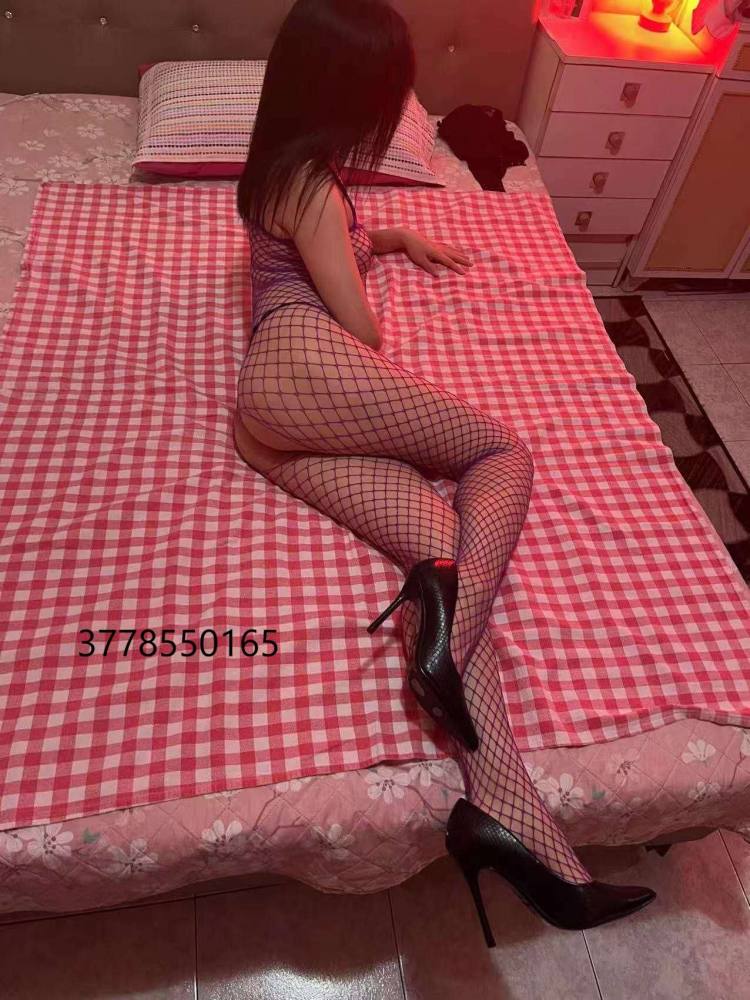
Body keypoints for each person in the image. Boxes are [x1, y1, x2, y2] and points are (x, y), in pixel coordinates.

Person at [234, 0, 655, 946]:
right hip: (304, 364)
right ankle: (447, 650)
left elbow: (314, 243)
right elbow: (361, 329)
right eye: (391, 93)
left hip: (269, 423)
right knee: (504, 451)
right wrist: (357, 265)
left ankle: (517, 826)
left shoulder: (282, 165)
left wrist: (389, 240)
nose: (401, 110)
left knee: (443, 556)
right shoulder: (310, 185)